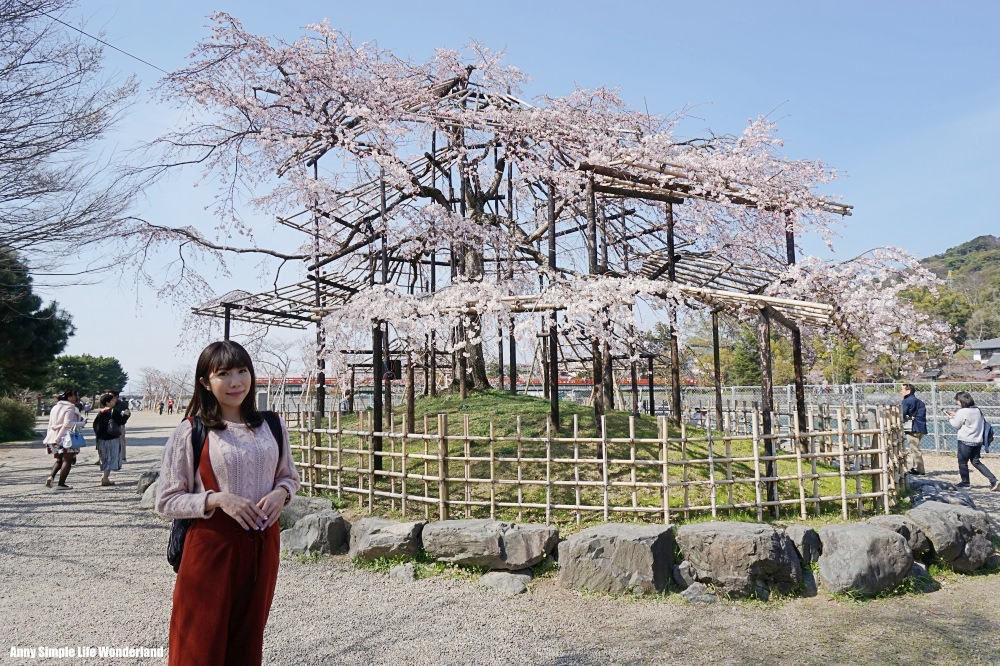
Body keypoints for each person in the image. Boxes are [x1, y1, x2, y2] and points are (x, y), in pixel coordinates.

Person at [156, 340, 300, 665]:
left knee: (247, 641)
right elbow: (166, 500)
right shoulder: (191, 431)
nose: (236, 382)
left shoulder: (272, 425)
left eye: (242, 371)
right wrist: (217, 499)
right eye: (224, 374)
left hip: (263, 546)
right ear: (206, 382)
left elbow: (289, 477)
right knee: (199, 643)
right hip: (211, 546)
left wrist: (282, 493)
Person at [946, 391, 1000, 491]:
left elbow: (956, 425)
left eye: (957, 401)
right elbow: (970, 420)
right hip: (977, 440)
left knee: (962, 462)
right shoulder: (977, 410)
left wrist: (950, 418)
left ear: (961, 401)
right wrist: (956, 415)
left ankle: (965, 483)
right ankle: (994, 480)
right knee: (976, 462)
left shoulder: (962, 412)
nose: (957, 403)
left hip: (965, 440)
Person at [42, 388, 85, 490]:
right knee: (67, 460)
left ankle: (51, 476)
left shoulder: (55, 407)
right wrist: (81, 424)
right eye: (75, 396)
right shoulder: (70, 408)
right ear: (70, 397)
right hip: (66, 438)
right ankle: (61, 483)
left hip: (52, 437)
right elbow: (67, 424)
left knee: (59, 460)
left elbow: (52, 424)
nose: (76, 398)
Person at [92, 393, 124, 486]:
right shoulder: (114, 411)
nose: (114, 401)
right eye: (112, 400)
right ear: (107, 402)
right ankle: (105, 478)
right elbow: (121, 421)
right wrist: (126, 415)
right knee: (111, 458)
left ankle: (105, 477)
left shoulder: (100, 413)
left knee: (104, 458)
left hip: (101, 439)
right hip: (112, 438)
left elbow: (95, 425)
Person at [901, 383, 928, 475]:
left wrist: (907, 418)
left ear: (908, 391)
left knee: (915, 449)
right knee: (915, 448)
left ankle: (920, 469)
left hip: (913, 428)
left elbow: (902, 414)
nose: (901, 392)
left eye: (903, 390)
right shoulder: (920, 402)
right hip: (921, 427)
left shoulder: (906, 401)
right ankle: (915, 467)